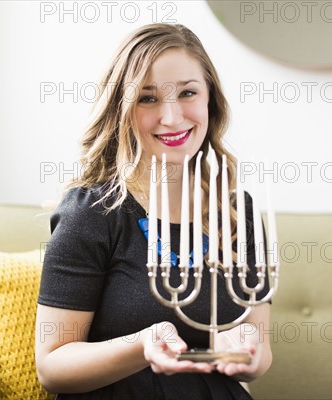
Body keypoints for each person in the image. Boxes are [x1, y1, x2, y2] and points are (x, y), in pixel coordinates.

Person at [35, 23, 272, 400]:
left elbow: (259, 358)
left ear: (211, 98)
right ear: (122, 109)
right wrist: (140, 346)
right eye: (148, 98)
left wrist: (249, 352)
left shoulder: (238, 214)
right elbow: (52, 367)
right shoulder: (94, 213)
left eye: (188, 93)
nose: (173, 117)